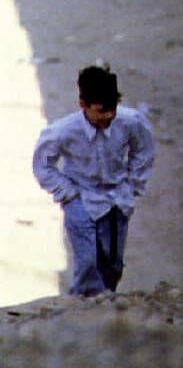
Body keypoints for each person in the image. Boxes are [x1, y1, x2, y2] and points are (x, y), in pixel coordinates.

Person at [33, 65, 156, 298]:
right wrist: (67, 193)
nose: (109, 115)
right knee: (88, 262)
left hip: (117, 198)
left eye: (112, 109)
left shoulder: (130, 122)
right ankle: (81, 311)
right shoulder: (63, 131)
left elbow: (144, 149)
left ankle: (105, 305)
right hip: (81, 197)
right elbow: (43, 164)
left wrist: (133, 185)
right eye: (101, 110)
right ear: (83, 105)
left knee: (113, 265)